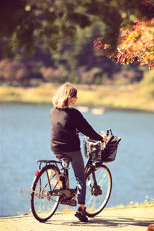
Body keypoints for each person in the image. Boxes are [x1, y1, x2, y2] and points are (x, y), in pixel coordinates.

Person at [49, 83, 106, 222]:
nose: (77, 99)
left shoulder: (53, 111)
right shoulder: (74, 114)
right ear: (69, 98)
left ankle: (62, 188)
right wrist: (100, 138)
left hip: (55, 147)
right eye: (75, 96)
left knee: (65, 168)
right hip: (71, 148)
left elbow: (63, 126)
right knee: (81, 177)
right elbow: (87, 129)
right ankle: (81, 209)